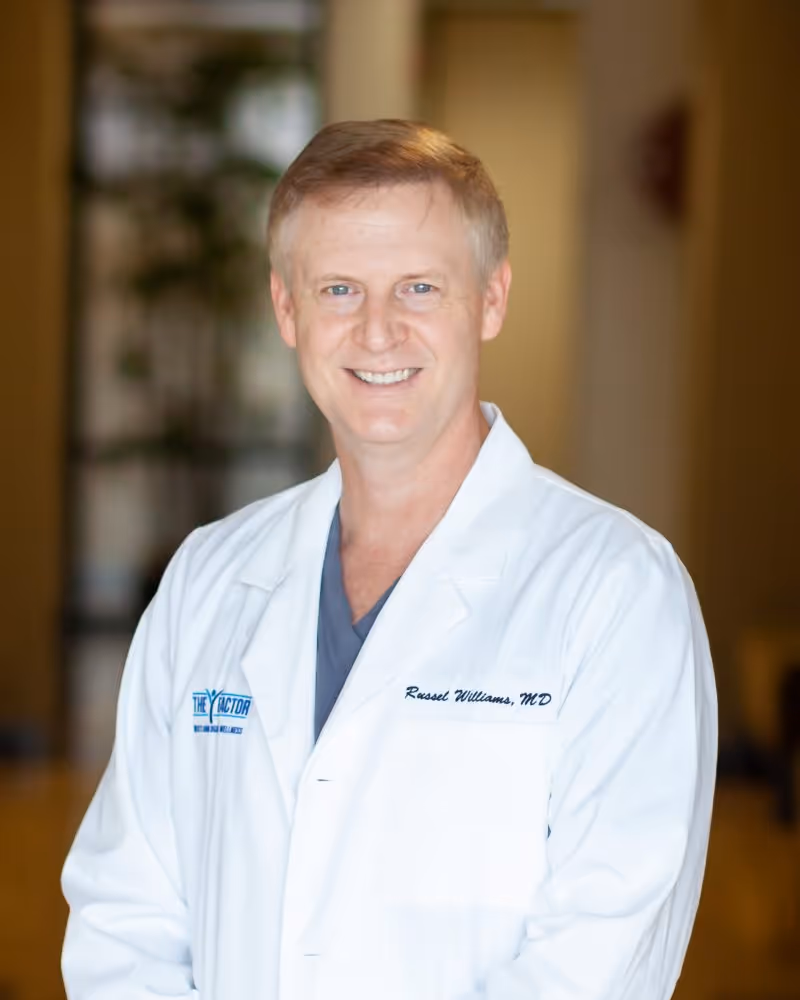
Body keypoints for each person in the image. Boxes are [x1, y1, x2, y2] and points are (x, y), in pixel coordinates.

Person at [61, 119, 717, 1000]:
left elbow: (601, 958)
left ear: (491, 299)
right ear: (287, 310)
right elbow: (123, 919)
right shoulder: (209, 579)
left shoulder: (618, 593)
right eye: (338, 289)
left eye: (418, 287)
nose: (377, 332)